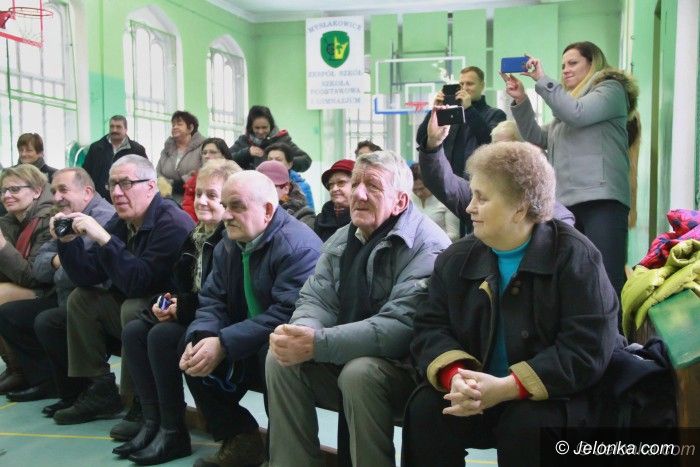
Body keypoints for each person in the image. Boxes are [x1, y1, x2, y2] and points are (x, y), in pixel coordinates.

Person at [403, 141, 621, 467]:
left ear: (520, 208)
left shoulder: (576, 256)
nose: (469, 208)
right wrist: (455, 376)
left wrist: (509, 387)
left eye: (482, 198)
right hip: (476, 393)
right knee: (426, 409)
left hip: (554, 396)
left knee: (526, 426)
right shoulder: (455, 258)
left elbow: (587, 348)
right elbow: (430, 326)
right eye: (472, 195)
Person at [266, 150, 451, 467]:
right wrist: (302, 332)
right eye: (355, 184)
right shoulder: (342, 238)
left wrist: (318, 343)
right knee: (281, 358)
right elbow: (317, 299)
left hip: (408, 371)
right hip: (346, 351)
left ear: (400, 201)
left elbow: (400, 327)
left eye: (373, 186)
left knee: (359, 373)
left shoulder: (428, 245)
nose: (358, 194)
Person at [179, 170, 322, 467]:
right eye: (225, 206)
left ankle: (282, 456)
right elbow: (212, 299)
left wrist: (224, 342)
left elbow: (287, 314)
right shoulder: (229, 242)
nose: (226, 215)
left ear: (268, 210)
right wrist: (205, 336)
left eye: (236, 206)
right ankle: (240, 438)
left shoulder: (297, 246)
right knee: (191, 346)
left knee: (273, 351)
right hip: (246, 336)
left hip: (292, 345)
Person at [49, 155, 195, 426]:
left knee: (133, 306)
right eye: (112, 184)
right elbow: (86, 276)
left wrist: (104, 239)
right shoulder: (121, 222)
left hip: (171, 314)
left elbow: (139, 282)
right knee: (81, 299)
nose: (116, 192)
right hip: (139, 308)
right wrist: (67, 242)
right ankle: (100, 388)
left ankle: (140, 400)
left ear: (150, 186)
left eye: (126, 183)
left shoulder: (172, 223)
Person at [115, 160, 240, 465]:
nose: (201, 201)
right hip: (195, 312)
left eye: (212, 195)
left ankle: (173, 431)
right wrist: (167, 302)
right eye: (198, 194)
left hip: (221, 320)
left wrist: (180, 308)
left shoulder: (231, 239)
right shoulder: (196, 236)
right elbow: (179, 283)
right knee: (134, 330)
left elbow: (225, 300)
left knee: (162, 337)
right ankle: (153, 421)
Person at [505, 41, 639, 299]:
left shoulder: (611, 90)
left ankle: (614, 327)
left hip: (602, 200)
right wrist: (520, 99)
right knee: (575, 280)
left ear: (593, 63)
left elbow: (576, 114)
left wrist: (542, 79)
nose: (565, 69)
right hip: (567, 203)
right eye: (563, 65)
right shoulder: (566, 110)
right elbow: (536, 136)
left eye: (573, 63)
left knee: (605, 280)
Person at [0, 168, 114, 405]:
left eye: (63, 190)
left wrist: (61, 261)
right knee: (10, 313)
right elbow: (41, 266)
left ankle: (81, 390)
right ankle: (38, 377)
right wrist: (60, 260)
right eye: (54, 191)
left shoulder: (103, 218)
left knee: (47, 320)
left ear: (87, 192)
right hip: (64, 295)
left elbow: (72, 275)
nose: (57, 197)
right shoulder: (64, 215)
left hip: (90, 299)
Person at [418, 109, 576, 230]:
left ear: (526, 149)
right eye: (494, 147)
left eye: (506, 148)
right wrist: (434, 142)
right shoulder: (475, 195)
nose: (497, 154)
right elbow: (441, 181)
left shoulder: (555, 218)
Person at [0, 164, 54, 394]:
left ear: (36, 191)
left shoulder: (49, 219)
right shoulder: (10, 220)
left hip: (51, 289)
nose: (6, 196)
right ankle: (14, 366)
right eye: (3, 191)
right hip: (25, 284)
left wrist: (2, 246)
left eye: (14, 189)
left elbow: (33, 276)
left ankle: (20, 370)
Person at [416, 66, 506, 180]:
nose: (464, 88)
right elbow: (421, 139)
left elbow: (490, 142)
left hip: (478, 181)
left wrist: (469, 109)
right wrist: (435, 111)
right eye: (461, 84)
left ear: (482, 86)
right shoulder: (452, 114)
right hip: (447, 180)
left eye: (470, 84)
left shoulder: (495, 114)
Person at [82, 115, 148, 200]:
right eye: (112, 126)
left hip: (127, 198)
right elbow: (86, 173)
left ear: (126, 129)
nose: (114, 130)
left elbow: (145, 174)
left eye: (118, 127)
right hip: (99, 199)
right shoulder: (96, 148)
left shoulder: (137, 150)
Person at [230, 105, 311, 172]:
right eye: (257, 128)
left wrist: (286, 162)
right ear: (251, 127)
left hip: (278, 185)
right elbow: (226, 159)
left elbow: (306, 160)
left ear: (271, 126)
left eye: (264, 127)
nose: (261, 131)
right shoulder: (244, 141)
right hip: (248, 185)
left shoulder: (282, 140)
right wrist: (246, 153)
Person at [181, 137, 240, 222]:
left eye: (212, 152)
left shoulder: (234, 178)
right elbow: (188, 205)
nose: (207, 156)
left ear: (224, 155)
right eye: (204, 153)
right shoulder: (193, 180)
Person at [156, 110, 205, 199]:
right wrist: (167, 185)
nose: (175, 127)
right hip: (167, 198)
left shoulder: (203, 147)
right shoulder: (166, 150)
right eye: (173, 125)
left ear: (190, 128)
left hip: (193, 198)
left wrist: (180, 184)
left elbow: (204, 172)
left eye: (179, 124)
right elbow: (158, 173)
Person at [257, 160, 316, 230]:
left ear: (286, 188)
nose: (262, 191)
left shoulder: (303, 216)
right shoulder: (251, 210)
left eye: (269, 186)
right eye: (258, 186)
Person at [410, 162, 460, 242]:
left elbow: (454, 235)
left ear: (431, 183)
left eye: (422, 189)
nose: (418, 193)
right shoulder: (408, 199)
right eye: (414, 190)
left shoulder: (447, 200)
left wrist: (425, 240)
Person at [265, 142, 314, 211]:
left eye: (278, 160)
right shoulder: (260, 185)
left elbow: (308, 215)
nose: (273, 163)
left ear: (289, 164)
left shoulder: (302, 187)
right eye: (270, 159)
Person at [313, 159, 354, 242]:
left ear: (356, 184)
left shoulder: (363, 219)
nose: (334, 189)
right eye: (331, 184)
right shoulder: (321, 219)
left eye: (341, 182)